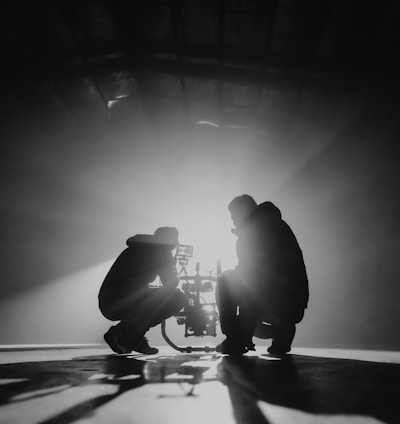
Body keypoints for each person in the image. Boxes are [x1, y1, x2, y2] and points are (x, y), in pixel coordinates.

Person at [216, 195, 309, 355]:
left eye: (233, 216)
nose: (233, 221)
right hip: (293, 305)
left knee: (225, 281)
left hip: (271, 299)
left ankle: (235, 339)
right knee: (245, 285)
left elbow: (251, 278)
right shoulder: (277, 225)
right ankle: (281, 331)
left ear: (243, 212)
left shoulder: (252, 233)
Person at [99, 226, 185, 354]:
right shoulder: (161, 251)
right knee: (177, 298)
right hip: (123, 300)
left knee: (159, 297)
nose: (175, 245)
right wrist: (172, 267)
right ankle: (124, 335)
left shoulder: (136, 248)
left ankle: (130, 337)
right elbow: (171, 283)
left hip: (108, 302)